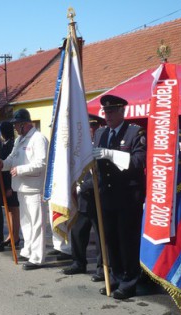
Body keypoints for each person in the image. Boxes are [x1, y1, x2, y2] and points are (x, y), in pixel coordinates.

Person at [92, 95, 146, 300]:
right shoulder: (100, 133)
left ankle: (129, 281)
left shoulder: (134, 132)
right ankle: (114, 276)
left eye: (113, 111)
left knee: (127, 241)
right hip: (106, 195)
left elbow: (138, 161)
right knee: (111, 241)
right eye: (105, 112)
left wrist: (110, 154)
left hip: (128, 197)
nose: (108, 115)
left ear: (123, 111)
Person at [0, 108, 49, 270]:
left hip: (34, 188)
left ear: (25, 124)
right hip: (21, 188)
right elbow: (12, 159)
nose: (15, 128)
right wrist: (3, 164)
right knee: (26, 222)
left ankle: (38, 257)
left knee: (36, 223)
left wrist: (20, 170)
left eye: (17, 125)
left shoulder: (38, 139)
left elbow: (41, 164)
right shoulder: (19, 140)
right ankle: (29, 249)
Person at [61, 115, 105, 281]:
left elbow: (101, 174)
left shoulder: (101, 144)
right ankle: (78, 262)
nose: (90, 130)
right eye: (87, 127)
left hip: (98, 197)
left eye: (92, 127)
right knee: (78, 231)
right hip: (82, 198)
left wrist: (81, 186)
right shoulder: (80, 146)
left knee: (101, 237)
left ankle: (102, 268)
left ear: (97, 127)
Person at [0, 121, 20, 247]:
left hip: (10, 183)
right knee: (10, 210)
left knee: (14, 210)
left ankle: (15, 236)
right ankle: (11, 234)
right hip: (7, 182)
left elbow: (10, 167)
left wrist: (8, 187)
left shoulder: (11, 145)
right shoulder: (5, 144)